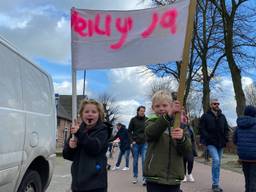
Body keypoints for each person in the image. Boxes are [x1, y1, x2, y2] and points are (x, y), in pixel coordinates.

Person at [144, 90, 192, 192]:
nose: (161, 108)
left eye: (165, 105)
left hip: (174, 177)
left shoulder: (180, 125)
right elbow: (150, 133)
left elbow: (187, 149)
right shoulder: (150, 123)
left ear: (171, 106)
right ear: (153, 108)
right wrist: (167, 117)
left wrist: (182, 139)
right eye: (157, 106)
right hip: (154, 177)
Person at [63, 99, 111, 192]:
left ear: (99, 115)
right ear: (81, 114)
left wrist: (79, 134)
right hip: (78, 184)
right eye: (86, 111)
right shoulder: (77, 130)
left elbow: (95, 147)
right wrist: (70, 147)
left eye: (94, 112)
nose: (90, 114)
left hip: (96, 184)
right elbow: (67, 155)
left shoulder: (103, 130)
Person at [199, 98, 229, 192]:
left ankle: (215, 184)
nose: (217, 105)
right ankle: (215, 184)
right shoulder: (205, 116)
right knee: (215, 160)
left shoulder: (222, 116)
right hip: (211, 142)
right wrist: (207, 138)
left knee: (218, 163)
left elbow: (226, 128)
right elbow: (201, 129)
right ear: (211, 105)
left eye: (218, 104)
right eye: (215, 104)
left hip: (220, 143)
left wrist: (226, 138)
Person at [233, 105, 256, 192]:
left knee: (247, 178)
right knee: (253, 179)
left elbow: (235, 140)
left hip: (243, 156)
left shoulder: (239, 125)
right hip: (254, 157)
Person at [128, 106, 148, 185]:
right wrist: (132, 140)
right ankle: (135, 176)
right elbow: (129, 131)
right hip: (136, 143)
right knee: (135, 161)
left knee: (144, 161)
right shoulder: (133, 120)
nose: (142, 112)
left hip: (144, 143)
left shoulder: (147, 120)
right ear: (138, 111)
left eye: (144, 111)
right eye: (141, 111)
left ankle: (144, 178)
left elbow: (149, 130)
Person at [181, 110, 197, 183]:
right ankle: (183, 175)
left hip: (190, 147)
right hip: (181, 147)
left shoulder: (190, 127)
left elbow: (193, 138)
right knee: (183, 161)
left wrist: (194, 147)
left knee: (191, 160)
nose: (184, 119)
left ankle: (189, 174)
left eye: (185, 118)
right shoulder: (179, 127)